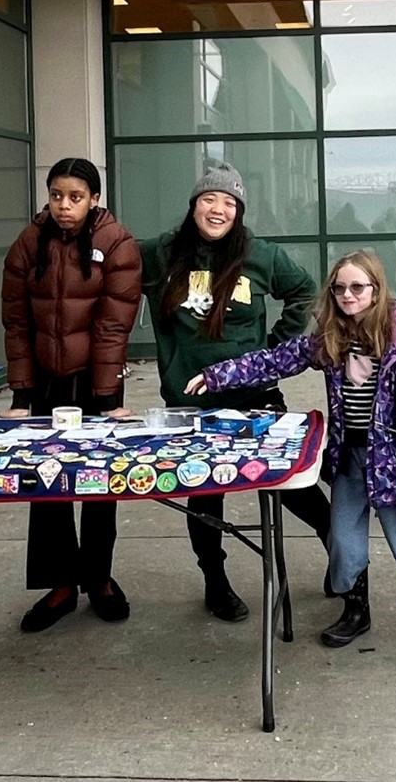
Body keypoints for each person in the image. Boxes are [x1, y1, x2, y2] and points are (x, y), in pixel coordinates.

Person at [185, 250, 396, 676]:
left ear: (376, 290)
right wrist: (217, 376)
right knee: (343, 539)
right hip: (349, 457)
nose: (347, 296)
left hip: (390, 462)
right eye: (339, 288)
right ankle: (356, 612)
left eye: (357, 287)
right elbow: (275, 359)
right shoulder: (332, 338)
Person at [140, 162, 332, 623]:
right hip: (191, 399)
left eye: (229, 202)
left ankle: (341, 554)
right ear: (194, 206)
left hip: (253, 392)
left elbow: (305, 290)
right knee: (204, 493)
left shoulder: (260, 255)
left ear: (239, 211)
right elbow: (108, 262)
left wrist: (271, 349)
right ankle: (215, 582)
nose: (218, 208)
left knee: (291, 481)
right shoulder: (161, 253)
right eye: (210, 199)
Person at [0, 157, 142, 633]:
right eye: (57, 196)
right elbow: (17, 321)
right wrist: (21, 393)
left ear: (95, 199)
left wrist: (106, 398)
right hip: (43, 380)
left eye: (76, 198)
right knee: (46, 479)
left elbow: (113, 325)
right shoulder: (28, 242)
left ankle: (99, 578)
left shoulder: (115, 243)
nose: (65, 206)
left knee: (100, 479)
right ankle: (60, 584)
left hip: (96, 378)